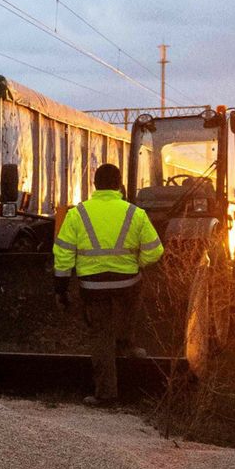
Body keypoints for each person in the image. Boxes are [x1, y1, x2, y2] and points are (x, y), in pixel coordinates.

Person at [54, 163, 164, 406]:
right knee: (129, 306)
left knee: (101, 336)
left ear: (94, 185)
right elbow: (155, 251)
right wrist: (138, 263)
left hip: (93, 287)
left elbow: (62, 255)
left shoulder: (77, 214)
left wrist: (61, 289)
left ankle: (106, 394)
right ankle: (127, 342)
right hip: (128, 283)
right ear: (119, 185)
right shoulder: (135, 213)